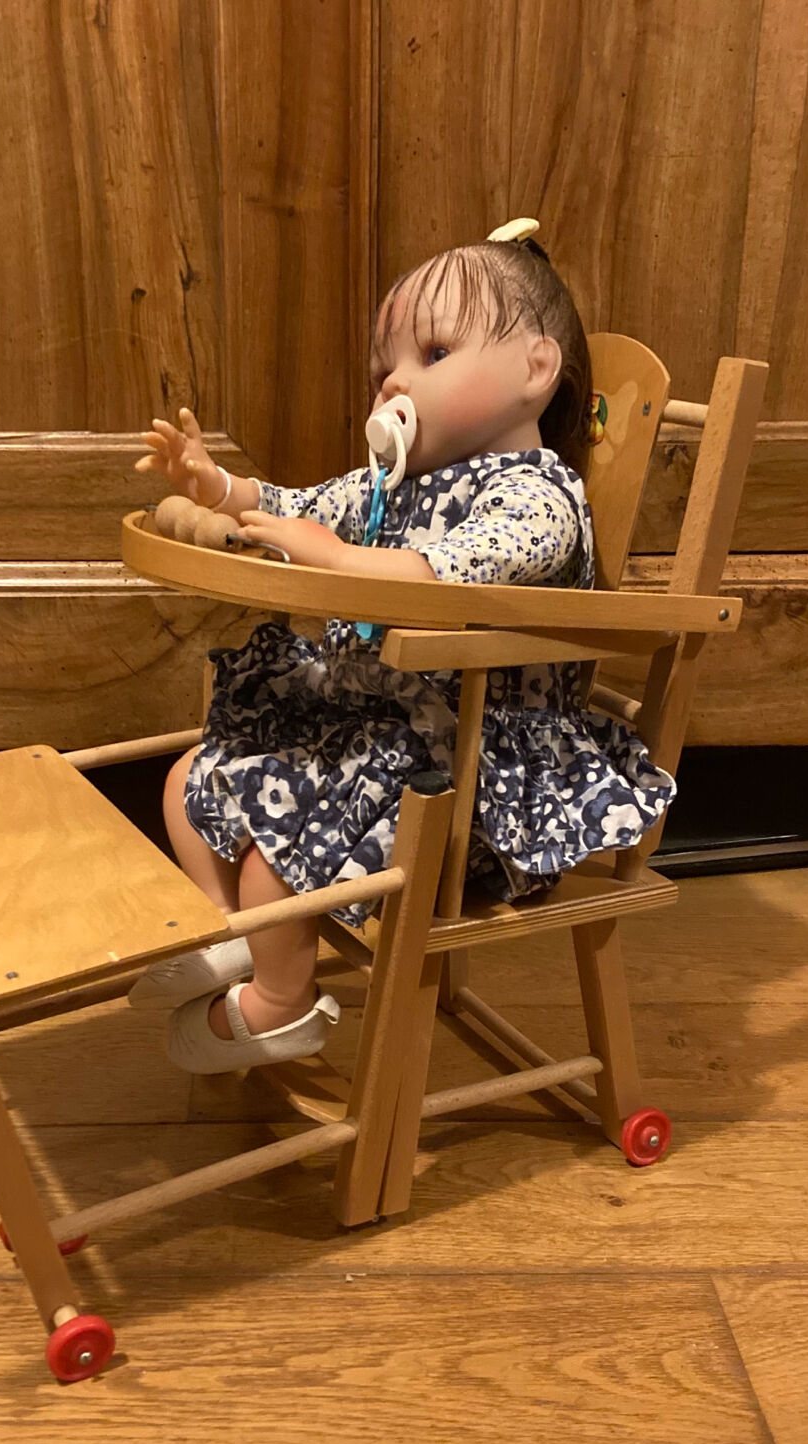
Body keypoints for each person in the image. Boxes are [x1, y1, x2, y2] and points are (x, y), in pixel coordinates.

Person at [129, 222, 674, 1073]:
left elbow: (453, 574)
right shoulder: (392, 487)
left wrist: (342, 560)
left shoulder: (539, 498)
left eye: (432, 352)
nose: (395, 381)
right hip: (379, 729)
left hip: (474, 769)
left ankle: (280, 999)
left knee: (281, 848)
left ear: (535, 371)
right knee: (185, 780)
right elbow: (297, 506)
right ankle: (227, 936)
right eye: (387, 365)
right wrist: (219, 486)